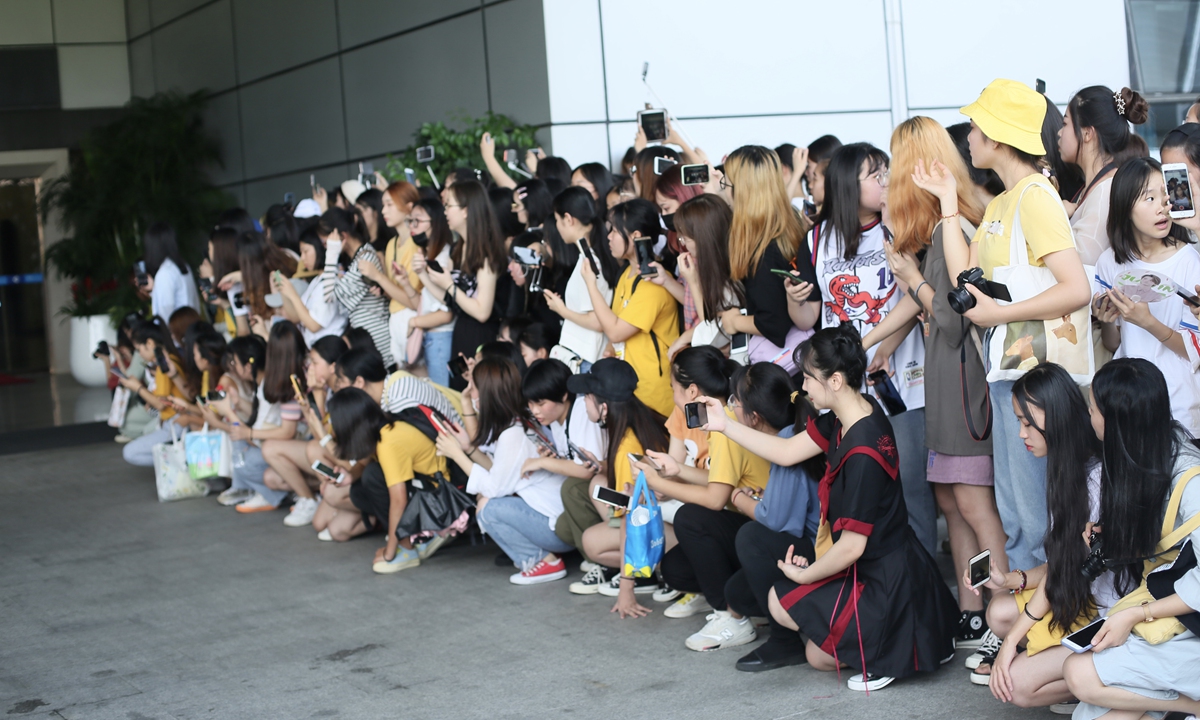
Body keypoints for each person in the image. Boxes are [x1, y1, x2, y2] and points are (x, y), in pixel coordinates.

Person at [699, 324, 957, 692]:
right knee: (817, 656)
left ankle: (894, 649)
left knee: (782, 604)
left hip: (882, 579)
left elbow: (853, 546)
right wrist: (723, 425)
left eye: (808, 378)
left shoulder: (862, 449)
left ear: (834, 381)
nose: (802, 387)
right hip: (884, 564)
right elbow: (787, 452)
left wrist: (809, 574)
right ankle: (912, 636)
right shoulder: (851, 415)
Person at [924, 78, 1093, 571]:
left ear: (997, 136)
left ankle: (1042, 624)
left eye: (976, 127)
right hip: (1012, 376)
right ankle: (1028, 625)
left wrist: (998, 314)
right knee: (1020, 512)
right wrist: (949, 205)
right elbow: (963, 281)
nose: (969, 137)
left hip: (1037, 380)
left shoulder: (1035, 197)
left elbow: (1076, 289)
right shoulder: (1003, 202)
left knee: (1035, 515)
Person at [864, 116, 1006, 648]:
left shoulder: (954, 227)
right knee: (951, 503)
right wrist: (872, 343)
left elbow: (949, 319)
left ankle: (1001, 612)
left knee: (974, 507)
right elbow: (921, 305)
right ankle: (973, 610)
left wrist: (912, 278)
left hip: (964, 390)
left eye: (895, 165)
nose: (889, 178)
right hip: (945, 388)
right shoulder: (939, 227)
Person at [810, 141, 936, 556]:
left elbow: (917, 295)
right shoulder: (816, 238)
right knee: (852, 491)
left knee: (912, 488)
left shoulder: (900, 227)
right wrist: (797, 300)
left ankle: (921, 588)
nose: (886, 180)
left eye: (887, 171)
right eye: (875, 174)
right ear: (847, 184)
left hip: (900, 377)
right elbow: (814, 314)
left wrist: (876, 345)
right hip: (844, 386)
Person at [1061, 358, 1200, 720]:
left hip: (1189, 623)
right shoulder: (1153, 447)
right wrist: (1120, 534)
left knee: (1079, 675)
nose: (1088, 416)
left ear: (1116, 421)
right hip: (1175, 610)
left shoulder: (1192, 481)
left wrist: (1136, 615)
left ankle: (1191, 706)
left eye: (1092, 409)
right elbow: (1173, 539)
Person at [968, 363, 1107, 710]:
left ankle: (1088, 683)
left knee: (1014, 685)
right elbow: (1062, 560)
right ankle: (1076, 675)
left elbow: (1065, 568)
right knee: (998, 612)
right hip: (1080, 598)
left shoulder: (1092, 478)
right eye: (1018, 421)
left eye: (1028, 422)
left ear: (1056, 417)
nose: (1021, 434)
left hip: (1104, 611)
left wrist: (1011, 643)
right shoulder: (1064, 465)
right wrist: (1011, 578)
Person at [637, 347, 770, 652]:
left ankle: (731, 618)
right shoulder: (725, 415)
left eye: (673, 388)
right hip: (750, 525)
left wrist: (660, 482)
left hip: (762, 530)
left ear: (692, 390)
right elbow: (720, 481)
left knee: (690, 517)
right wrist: (675, 470)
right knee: (675, 569)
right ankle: (749, 605)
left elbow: (714, 498)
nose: (672, 396)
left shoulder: (724, 426)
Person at [436, 356, 572, 584]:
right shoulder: (520, 421)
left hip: (556, 528)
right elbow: (501, 473)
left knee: (487, 508)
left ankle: (542, 561)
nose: (471, 393)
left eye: (474, 388)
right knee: (488, 501)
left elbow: (494, 487)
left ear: (487, 393)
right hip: (559, 518)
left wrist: (457, 455)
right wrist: (468, 448)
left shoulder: (512, 434)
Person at [724, 362, 824, 672]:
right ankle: (804, 620)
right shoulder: (796, 429)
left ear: (753, 417)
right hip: (815, 545)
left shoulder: (786, 443)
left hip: (823, 553)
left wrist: (739, 498)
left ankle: (785, 641)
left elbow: (776, 522)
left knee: (750, 537)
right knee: (737, 592)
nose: (732, 409)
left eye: (734, 403)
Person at [1093, 156, 1200, 435]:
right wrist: (1105, 319)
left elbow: (1194, 351)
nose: (1162, 208)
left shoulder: (1189, 261)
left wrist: (1148, 322)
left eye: (1165, 196)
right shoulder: (1110, 263)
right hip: (1126, 402)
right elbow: (1113, 341)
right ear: (1124, 206)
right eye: (1148, 199)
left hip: (1176, 402)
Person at [566, 359, 670, 612]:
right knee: (599, 483)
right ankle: (642, 569)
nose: (583, 402)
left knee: (591, 542)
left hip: (663, 531)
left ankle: (644, 572)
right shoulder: (638, 418)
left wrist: (626, 590)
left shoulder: (626, 446)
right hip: (666, 517)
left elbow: (631, 524)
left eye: (587, 397)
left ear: (603, 407)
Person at [327, 387, 450, 573]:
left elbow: (399, 500)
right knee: (359, 489)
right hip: (424, 490)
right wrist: (349, 476)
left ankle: (409, 547)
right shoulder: (381, 427)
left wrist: (389, 552)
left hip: (439, 502)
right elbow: (363, 463)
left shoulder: (388, 442)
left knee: (373, 477)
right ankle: (413, 536)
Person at [723, 145, 820, 372]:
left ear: (742, 191)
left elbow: (774, 322)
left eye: (726, 184)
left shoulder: (764, 250)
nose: (725, 192)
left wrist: (734, 321)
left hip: (787, 371)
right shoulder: (793, 225)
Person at [583, 198, 680, 417]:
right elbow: (616, 326)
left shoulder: (652, 283)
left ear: (635, 236)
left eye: (615, 231)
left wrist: (591, 284)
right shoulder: (626, 273)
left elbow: (616, 330)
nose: (609, 237)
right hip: (632, 386)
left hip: (654, 392)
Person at [519, 359, 608, 577]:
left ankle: (604, 565)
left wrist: (542, 462)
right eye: (531, 404)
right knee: (562, 528)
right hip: (594, 489)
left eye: (540, 403)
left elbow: (588, 470)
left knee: (571, 489)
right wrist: (555, 458)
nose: (535, 411)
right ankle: (597, 555)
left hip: (609, 484)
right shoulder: (557, 421)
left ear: (564, 395)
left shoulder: (580, 411)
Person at [423, 181, 511, 391]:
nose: (445, 212)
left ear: (466, 211)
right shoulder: (459, 248)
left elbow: (482, 311)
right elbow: (451, 300)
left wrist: (449, 286)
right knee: (460, 393)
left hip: (481, 337)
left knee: (477, 397)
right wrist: (423, 276)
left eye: (448, 206)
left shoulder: (487, 252)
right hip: (461, 332)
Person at [218, 321, 308, 514]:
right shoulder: (271, 382)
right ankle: (252, 489)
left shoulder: (281, 382)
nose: (232, 368)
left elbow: (272, 435)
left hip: (292, 446)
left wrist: (229, 413)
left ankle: (293, 496)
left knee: (245, 460)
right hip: (295, 445)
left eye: (234, 362)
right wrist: (236, 407)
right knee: (242, 450)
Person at [262, 335, 348, 529]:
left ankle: (333, 497)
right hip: (331, 457)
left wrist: (317, 393)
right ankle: (315, 498)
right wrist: (310, 399)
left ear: (332, 366)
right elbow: (319, 434)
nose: (309, 367)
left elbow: (323, 438)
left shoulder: (344, 390)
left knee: (313, 449)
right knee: (272, 474)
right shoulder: (325, 388)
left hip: (347, 462)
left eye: (314, 362)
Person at [1059, 86, 1150, 265]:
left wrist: (1055, 213)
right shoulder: (1099, 185)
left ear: (1087, 133)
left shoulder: (1105, 191)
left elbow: (1082, 262)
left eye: (1065, 124)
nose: (1059, 133)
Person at [546, 186, 621, 372]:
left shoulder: (590, 261)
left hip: (586, 358)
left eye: (557, 220)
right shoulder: (594, 255)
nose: (557, 227)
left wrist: (561, 310)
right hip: (588, 355)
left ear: (568, 219)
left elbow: (597, 322)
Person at [668, 194, 742, 356]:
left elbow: (710, 333)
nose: (683, 244)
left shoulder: (729, 277)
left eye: (684, 238)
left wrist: (693, 282)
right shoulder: (720, 265)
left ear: (702, 238)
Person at [320, 207, 393, 368]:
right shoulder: (356, 260)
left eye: (327, 242)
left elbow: (330, 295)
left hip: (379, 339)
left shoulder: (365, 258)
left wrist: (332, 254)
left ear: (343, 236)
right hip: (368, 338)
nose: (326, 247)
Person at [119, 319, 190, 467]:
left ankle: (181, 464)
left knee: (130, 452)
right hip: (169, 421)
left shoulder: (165, 364)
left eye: (139, 350)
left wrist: (138, 387)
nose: (139, 354)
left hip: (176, 422)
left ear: (150, 343)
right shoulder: (168, 360)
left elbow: (160, 404)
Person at [274, 227, 347, 347]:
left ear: (320, 248)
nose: (302, 258)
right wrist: (284, 291)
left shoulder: (331, 280)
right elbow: (296, 317)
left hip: (329, 350)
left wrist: (293, 294)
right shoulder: (317, 280)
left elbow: (313, 325)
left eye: (305, 251)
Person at [143, 222, 199, 323]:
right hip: (191, 327)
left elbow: (165, 314)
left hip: (178, 333)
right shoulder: (182, 265)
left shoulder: (164, 273)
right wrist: (154, 288)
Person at [354, 187, 396, 252]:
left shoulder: (389, 246)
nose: (356, 216)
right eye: (355, 212)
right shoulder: (359, 242)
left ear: (375, 212)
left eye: (359, 212)